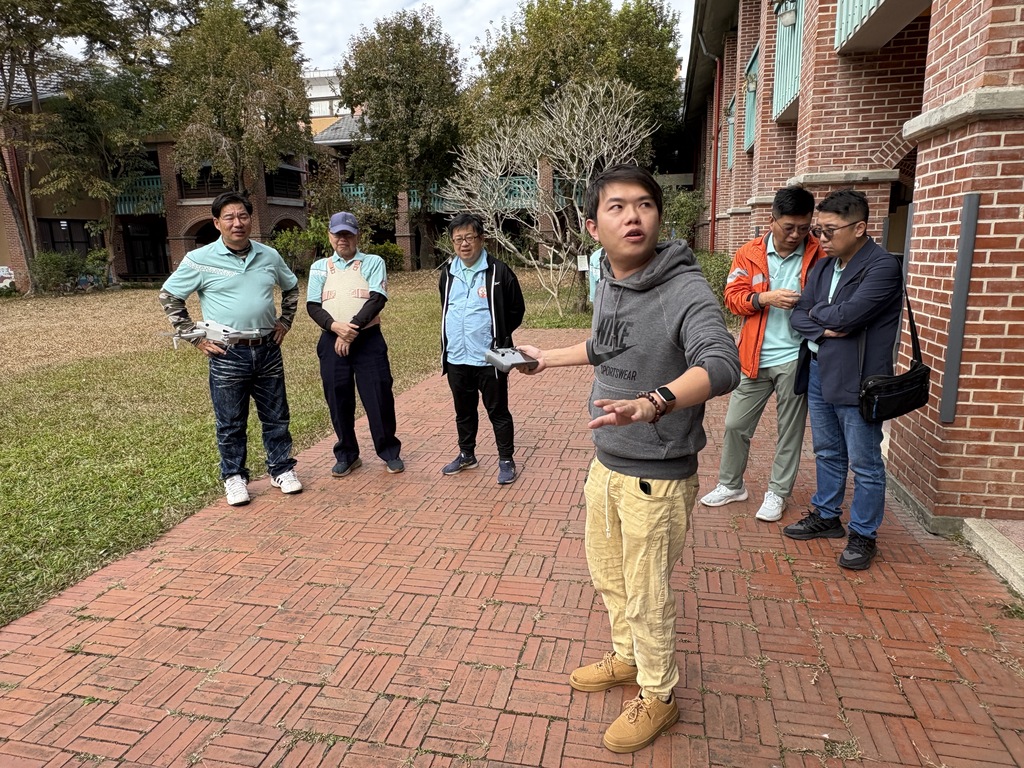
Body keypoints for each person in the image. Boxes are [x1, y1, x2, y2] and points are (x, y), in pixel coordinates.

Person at [518, 165, 740, 753]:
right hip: (607, 462)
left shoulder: (684, 289)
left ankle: (659, 694)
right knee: (609, 576)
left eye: (644, 204)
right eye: (616, 207)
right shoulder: (610, 279)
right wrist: (546, 358)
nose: (633, 216)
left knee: (647, 594)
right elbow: (604, 345)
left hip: (657, 477)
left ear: (658, 217)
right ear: (594, 227)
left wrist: (654, 402)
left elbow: (723, 365)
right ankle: (626, 656)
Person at [159, 191, 302, 507]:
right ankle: (234, 477)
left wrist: (285, 321)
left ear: (251, 220)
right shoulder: (199, 259)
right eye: (229, 217)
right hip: (227, 352)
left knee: (276, 416)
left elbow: (291, 287)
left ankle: (281, 469)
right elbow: (169, 296)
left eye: (243, 216)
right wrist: (194, 337)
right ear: (217, 223)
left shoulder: (269, 255)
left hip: (267, 348)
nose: (237, 223)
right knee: (230, 421)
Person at [788, 188, 903, 570]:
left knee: (865, 461)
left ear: (859, 228)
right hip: (819, 370)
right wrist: (823, 323)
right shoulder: (823, 267)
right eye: (817, 230)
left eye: (829, 230)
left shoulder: (882, 267)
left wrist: (821, 314)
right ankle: (827, 516)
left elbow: (848, 316)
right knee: (827, 451)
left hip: (858, 379)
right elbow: (800, 315)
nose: (820, 238)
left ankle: (863, 534)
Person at [700, 187, 821, 521]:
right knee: (735, 424)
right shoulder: (748, 253)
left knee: (790, 430)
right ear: (772, 221)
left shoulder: (819, 254)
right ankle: (731, 485)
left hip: (796, 357)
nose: (795, 235)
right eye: (788, 227)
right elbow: (732, 298)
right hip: (753, 355)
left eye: (803, 228)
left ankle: (777, 492)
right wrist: (764, 298)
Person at [306, 212, 403, 478]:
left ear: (357, 235)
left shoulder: (373, 262)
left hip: (367, 340)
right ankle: (347, 455)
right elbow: (313, 305)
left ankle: (389, 452)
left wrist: (351, 330)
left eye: (347, 234)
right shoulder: (320, 267)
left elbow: (377, 299)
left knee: (378, 395)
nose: (343, 239)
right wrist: (336, 328)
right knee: (338, 398)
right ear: (329, 236)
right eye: (337, 234)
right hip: (331, 340)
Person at [439, 213, 526, 485]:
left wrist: (498, 335)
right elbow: (446, 307)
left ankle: (506, 459)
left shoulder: (498, 271)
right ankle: (467, 454)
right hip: (457, 358)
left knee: (498, 412)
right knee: (463, 411)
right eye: (458, 239)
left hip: (490, 358)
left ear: (481, 238)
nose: (464, 244)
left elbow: (516, 309)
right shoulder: (448, 273)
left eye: (469, 237)